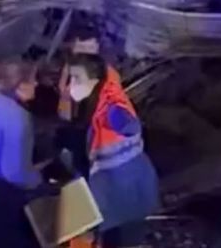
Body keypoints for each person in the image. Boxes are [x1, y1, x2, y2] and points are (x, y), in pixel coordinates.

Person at [62, 40, 159, 248]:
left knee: (121, 238)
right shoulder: (92, 104)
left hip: (126, 192)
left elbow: (128, 124)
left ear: (95, 80)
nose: (72, 85)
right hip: (111, 189)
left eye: (77, 79)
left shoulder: (110, 107)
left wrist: (120, 120)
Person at [0, 59, 46, 248]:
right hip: (2, 194)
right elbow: (14, 172)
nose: (37, 84)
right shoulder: (19, 117)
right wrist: (39, 182)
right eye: (33, 80)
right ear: (19, 85)